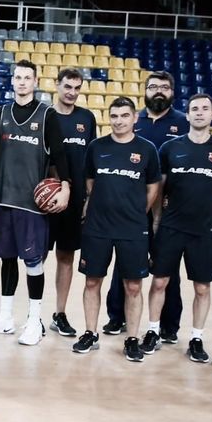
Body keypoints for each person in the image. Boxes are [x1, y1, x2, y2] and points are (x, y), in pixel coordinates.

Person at [0, 60, 71, 345]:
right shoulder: (3, 113)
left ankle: (34, 320)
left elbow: (60, 155)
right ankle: (6, 317)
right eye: (17, 77)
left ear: (35, 81)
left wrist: (66, 187)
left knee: (33, 263)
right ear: (13, 80)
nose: (21, 82)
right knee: (7, 257)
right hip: (5, 199)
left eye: (27, 77)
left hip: (32, 204)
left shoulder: (48, 115)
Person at [72, 97, 161, 362]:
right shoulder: (96, 147)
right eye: (114, 116)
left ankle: (132, 338)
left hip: (133, 229)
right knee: (92, 281)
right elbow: (90, 182)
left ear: (135, 118)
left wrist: (135, 211)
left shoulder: (147, 149)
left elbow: (153, 187)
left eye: (124, 115)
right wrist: (103, 205)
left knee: (133, 286)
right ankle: (91, 332)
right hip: (97, 227)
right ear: (108, 118)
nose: (119, 120)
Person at [146, 94, 212, 362]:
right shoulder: (171, 149)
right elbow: (158, 190)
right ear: (187, 115)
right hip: (171, 226)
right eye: (194, 109)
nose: (199, 113)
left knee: (202, 288)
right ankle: (152, 331)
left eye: (205, 109)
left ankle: (196, 337)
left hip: (204, 230)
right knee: (159, 282)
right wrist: (157, 221)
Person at [104, 71, 189, 338]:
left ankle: (168, 324)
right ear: (145, 91)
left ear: (172, 92)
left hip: (169, 209)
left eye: (164, 87)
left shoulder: (183, 124)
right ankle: (117, 317)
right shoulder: (134, 120)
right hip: (132, 207)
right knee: (125, 264)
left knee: (166, 266)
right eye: (153, 87)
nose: (158, 91)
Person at [47, 69, 97, 339]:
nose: (72, 92)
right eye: (67, 86)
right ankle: (33, 314)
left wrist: (88, 199)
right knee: (36, 258)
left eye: (77, 88)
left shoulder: (86, 118)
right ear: (57, 85)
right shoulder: (45, 115)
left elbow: (91, 165)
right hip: (45, 199)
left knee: (66, 257)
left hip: (75, 200)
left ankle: (60, 313)